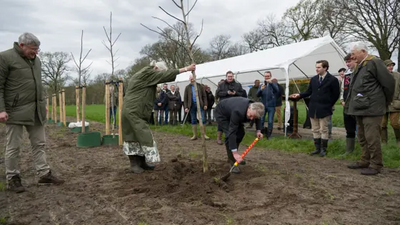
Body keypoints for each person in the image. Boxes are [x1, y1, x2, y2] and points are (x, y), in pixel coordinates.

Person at [0, 32, 64, 193]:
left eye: (37, 49)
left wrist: (42, 104)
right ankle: (12, 178)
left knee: (40, 143)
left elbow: (38, 84)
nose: (35, 52)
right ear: (21, 45)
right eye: (32, 49)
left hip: (36, 110)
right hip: (15, 110)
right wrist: (1, 109)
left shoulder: (37, 61)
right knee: (13, 146)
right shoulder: (5, 58)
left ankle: (44, 174)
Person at [121, 61, 196, 173]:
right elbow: (164, 76)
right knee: (135, 136)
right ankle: (134, 164)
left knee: (139, 137)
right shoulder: (147, 73)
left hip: (138, 111)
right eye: (160, 72)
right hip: (133, 111)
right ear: (156, 68)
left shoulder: (147, 74)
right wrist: (186, 69)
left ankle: (142, 163)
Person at [345, 42, 395, 175]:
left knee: (372, 137)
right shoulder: (360, 66)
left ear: (363, 51)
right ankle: (364, 160)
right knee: (362, 136)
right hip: (361, 107)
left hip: (372, 108)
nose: (352, 56)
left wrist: (385, 101)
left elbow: (389, 83)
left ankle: (376, 164)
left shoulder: (374, 62)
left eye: (354, 54)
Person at [290, 60, 340, 157]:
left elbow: (335, 95)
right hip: (313, 108)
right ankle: (317, 148)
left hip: (325, 109)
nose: (316, 69)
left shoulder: (333, 80)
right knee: (315, 129)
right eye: (316, 67)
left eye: (319, 67)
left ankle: (323, 149)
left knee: (323, 129)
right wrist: (299, 95)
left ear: (325, 68)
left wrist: (329, 104)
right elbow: (309, 92)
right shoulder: (313, 79)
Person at [215, 97, 264, 173]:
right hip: (222, 114)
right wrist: (235, 153)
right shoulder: (238, 111)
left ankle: (233, 156)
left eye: (253, 117)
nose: (251, 119)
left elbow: (258, 118)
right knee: (229, 134)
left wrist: (258, 131)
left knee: (241, 133)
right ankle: (232, 161)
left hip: (231, 111)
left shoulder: (256, 107)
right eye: (250, 116)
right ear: (249, 108)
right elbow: (232, 132)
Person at [339, 54, 358, 155]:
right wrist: (342, 99)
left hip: (358, 105)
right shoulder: (346, 74)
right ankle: (349, 150)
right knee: (349, 128)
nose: (348, 64)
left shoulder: (360, 72)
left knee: (360, 129)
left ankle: (363, 151)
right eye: (346, 62)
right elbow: (343, 89)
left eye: (349, 61)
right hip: (347, 105)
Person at [184, 74, 210, 140]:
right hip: (191, 105)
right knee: (193, 119)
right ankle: (195, 135)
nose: (191, 79)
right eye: (190, 78)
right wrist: (186, 107)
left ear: (195, 78)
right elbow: (185, 98)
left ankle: (204, 135)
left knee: (203, 119)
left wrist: (205, 104)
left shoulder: (200, 86)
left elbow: (204, 96)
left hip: (200, 104)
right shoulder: (187, 87)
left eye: (192, 78)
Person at [381, 59, 400, 146]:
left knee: (395, 123)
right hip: (382, 104)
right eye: (389, 65)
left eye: (392, 65)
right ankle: (384, 142)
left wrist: (398, 99)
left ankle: (398, 141)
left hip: (395, 103)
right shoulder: (380, 76)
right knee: (382, 125)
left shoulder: (398, 75)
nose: (391, 67)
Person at [257, 71, 279, 138]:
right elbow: (257, 94)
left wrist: (271, 83)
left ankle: (269, 135)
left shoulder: (274, 84)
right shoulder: (262, 85)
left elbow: (277, 91)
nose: (266, 77)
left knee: (270, 121)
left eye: (268, 76)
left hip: (271, 106)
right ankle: (261, 133)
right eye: (265, 76)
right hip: (263, 106)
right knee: (261, 120)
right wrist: (261, 89)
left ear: (270, 76)